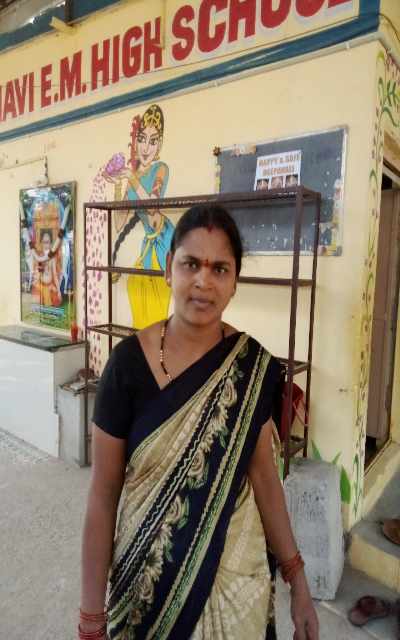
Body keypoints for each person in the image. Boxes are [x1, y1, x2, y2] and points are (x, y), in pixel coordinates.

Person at [80, 205, 319, 640]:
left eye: (219, 269)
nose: (203, 281)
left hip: (234, 593)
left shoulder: (251, 368)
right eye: (191, 264)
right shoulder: (126, 366)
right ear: (169, 269)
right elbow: (103, 494)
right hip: (144, 594)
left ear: (234, 282)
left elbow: (266, 479)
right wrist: (90, 618)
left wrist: (297, 579)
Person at [103, 104, 174, 329]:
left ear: (159, 144)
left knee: (156, 298)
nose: (145, 147)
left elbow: (152, 207)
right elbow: (119, 222)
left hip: (163, 237)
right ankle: (143, 341)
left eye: (153, 141)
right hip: (148, 241)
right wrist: (118, 185)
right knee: (134, 284)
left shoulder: (160, 169)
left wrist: (131, 178)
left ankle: (157, 341)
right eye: (142, 139)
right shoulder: (133, 176)